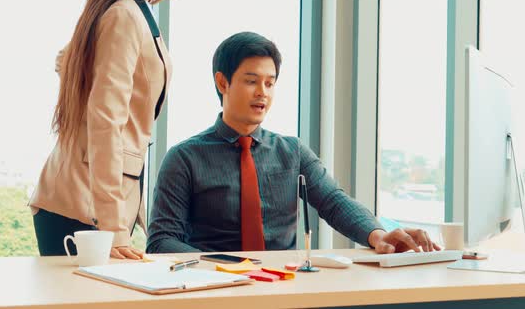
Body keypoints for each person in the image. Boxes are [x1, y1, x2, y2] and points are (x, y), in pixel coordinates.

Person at [147, 32, 441, 254]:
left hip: (283, 287)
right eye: (251, 81)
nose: (262, 93)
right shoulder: (184, 158)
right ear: (223, 82)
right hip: (213, 289)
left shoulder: (292, 152)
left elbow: (334, 202)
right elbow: (162, 241)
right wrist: (221, 269)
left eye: (270, 82)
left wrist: (377, 234)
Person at [29, 0, 191, 259]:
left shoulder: (133, 13)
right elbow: (106, 122)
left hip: (90, 202)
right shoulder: (125, 15)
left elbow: (68, 59)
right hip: (83, 206)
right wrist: (114, 228)